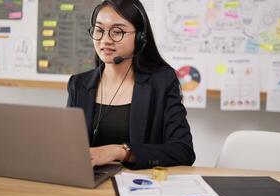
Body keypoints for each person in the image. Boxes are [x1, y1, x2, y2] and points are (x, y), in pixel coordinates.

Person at [67, 0, 195, 169]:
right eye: (99, 30)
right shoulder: (79, 84)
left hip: (140, 187)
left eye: (117, 31)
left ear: (140, 38)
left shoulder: (162, 82)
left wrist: (120, 151)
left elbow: (183, 151)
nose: (105, 40)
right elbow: (68, 147)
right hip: (90, 187)